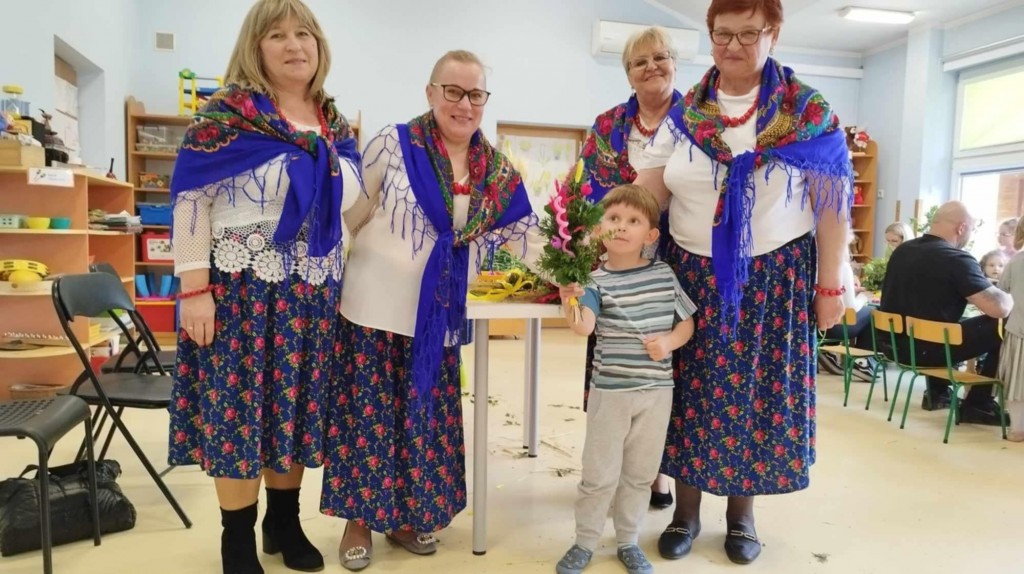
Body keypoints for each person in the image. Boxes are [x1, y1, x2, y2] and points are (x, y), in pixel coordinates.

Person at [642, 0, 853, 565]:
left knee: (754, 397)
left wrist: (830, 286)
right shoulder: (686, 113)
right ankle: (686, 514)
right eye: (722, 34)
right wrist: (608, 245)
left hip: (772, 282)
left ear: (773, 34)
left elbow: (831, 209)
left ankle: (741, 518)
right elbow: (648, 193)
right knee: (688, 394)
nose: (733, 45)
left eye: (747, 33)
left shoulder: (808, 112)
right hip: (688, 275)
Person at [319, 50, 542, 571]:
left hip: (436, 318)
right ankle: (358, 522)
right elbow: (353, 213)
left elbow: (528, 238)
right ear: (431, 93)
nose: (464, 104)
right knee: (367, 421)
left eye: (475, 94)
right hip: (371, 308)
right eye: (453, 91)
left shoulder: (496, 172)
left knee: (420, 422)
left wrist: (579, 273)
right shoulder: (394, 143)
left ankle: (403, 517)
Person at [168, 1, 361, 573]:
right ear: (255, 47)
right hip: (241, 291)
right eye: (277, 35)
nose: (294, 45)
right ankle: (236, 540)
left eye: (304, 33)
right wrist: (193, 290)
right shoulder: (225, 117)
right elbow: (190, 201)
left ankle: (283, 522)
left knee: (292, 409)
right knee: (239, 415)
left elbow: (351, 205)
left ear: (319, 45)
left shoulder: (334, 124)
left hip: (312, 292)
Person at [554, 185, 696, 574]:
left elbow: (686, 324)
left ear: (651, 235)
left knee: (640, 474)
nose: (621, 226)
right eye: (613, 218)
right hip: (610, 393)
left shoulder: (664, 275)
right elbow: (583, 327)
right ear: (599, 228)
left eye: (633, 221)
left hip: (656, 395)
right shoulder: (594, 281)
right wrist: (569, 297)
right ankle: (585, 542)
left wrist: (668, 343)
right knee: (598, 474)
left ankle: (628, 541)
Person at [574, 26, 684, 509]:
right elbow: (588, 189)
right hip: (617, 259)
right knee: (616, 356)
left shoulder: (696, 119)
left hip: (677, 255)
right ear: (628, 74)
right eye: (640, 61)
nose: (651, 66)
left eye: (660, 57)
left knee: (661, 362)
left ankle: (656, 473)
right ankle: (610, 466)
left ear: (674, 63)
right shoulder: (608, 124)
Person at [878, 201, 1013, 422]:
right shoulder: (956, 258)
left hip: (893, 345)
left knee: (936, 321)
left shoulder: (902, 251)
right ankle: (979, 404)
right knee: (1006, 324)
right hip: (928, 351)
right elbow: (999, 308)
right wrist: (1009, 295)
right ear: (961, 228)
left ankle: (938, 393)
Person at [997, 217, 1024, 441]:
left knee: (1017, 381)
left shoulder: (1016, 261)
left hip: (1019, 330)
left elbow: (1002, 287)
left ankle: (1017, 429)